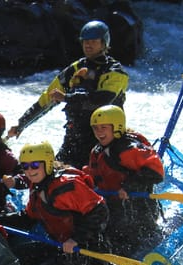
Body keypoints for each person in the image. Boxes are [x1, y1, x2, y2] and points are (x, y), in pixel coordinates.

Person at [7, 21, 129, 167]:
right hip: (75, 136)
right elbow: (48, 97)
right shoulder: (75, 68)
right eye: (85, 41)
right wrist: (22, 123)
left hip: (104, 138)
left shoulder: (115, 71)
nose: (88, 45)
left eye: (93, 41)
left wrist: (66, 97)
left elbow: (102, 100)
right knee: (55, 175)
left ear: (104, 43)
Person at [0, 141, 110, 265]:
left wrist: (76, 239)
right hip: (59, 247)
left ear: (48, 164)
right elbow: (28, 218)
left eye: (35, 165)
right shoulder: (37, 188)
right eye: (25, 166)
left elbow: (100, 211)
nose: (30, 171)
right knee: (18, 258)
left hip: (88, 251)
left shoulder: (68, 187)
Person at [84, 105, 165, 255]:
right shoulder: (98, 150)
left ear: (117, 127)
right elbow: (95, 174)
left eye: (104, 127)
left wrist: (129, 187)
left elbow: (156, 172)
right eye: (95, 128)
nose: (99, 132)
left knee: (134, 237)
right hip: (115, 206)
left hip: (138, 206)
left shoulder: (127, 148)